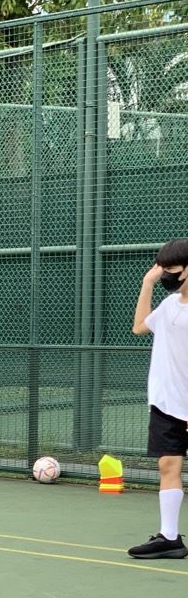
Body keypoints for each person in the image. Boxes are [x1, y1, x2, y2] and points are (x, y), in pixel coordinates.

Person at [129, 238, 188, 559]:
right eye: (162, 269)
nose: (167, 275)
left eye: (173, 270)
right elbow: (139, 327)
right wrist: (147, 283)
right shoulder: (168, 306)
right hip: (167, 403)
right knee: (168, 464)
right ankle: (169, 538)